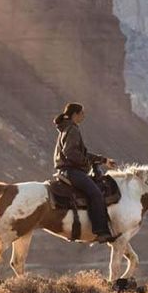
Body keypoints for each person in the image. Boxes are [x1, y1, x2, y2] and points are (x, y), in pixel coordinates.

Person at [53, 103, 119, 243]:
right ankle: (101, 231)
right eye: (82, 113)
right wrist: (85, 163)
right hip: (71, 171)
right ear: (75, 114)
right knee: (95, 193)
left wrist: (103, 160)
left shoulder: (66, 127)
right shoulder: (72, 129)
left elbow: (80, 153)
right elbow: (70, 152)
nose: (84, 116)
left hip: (67, 170)